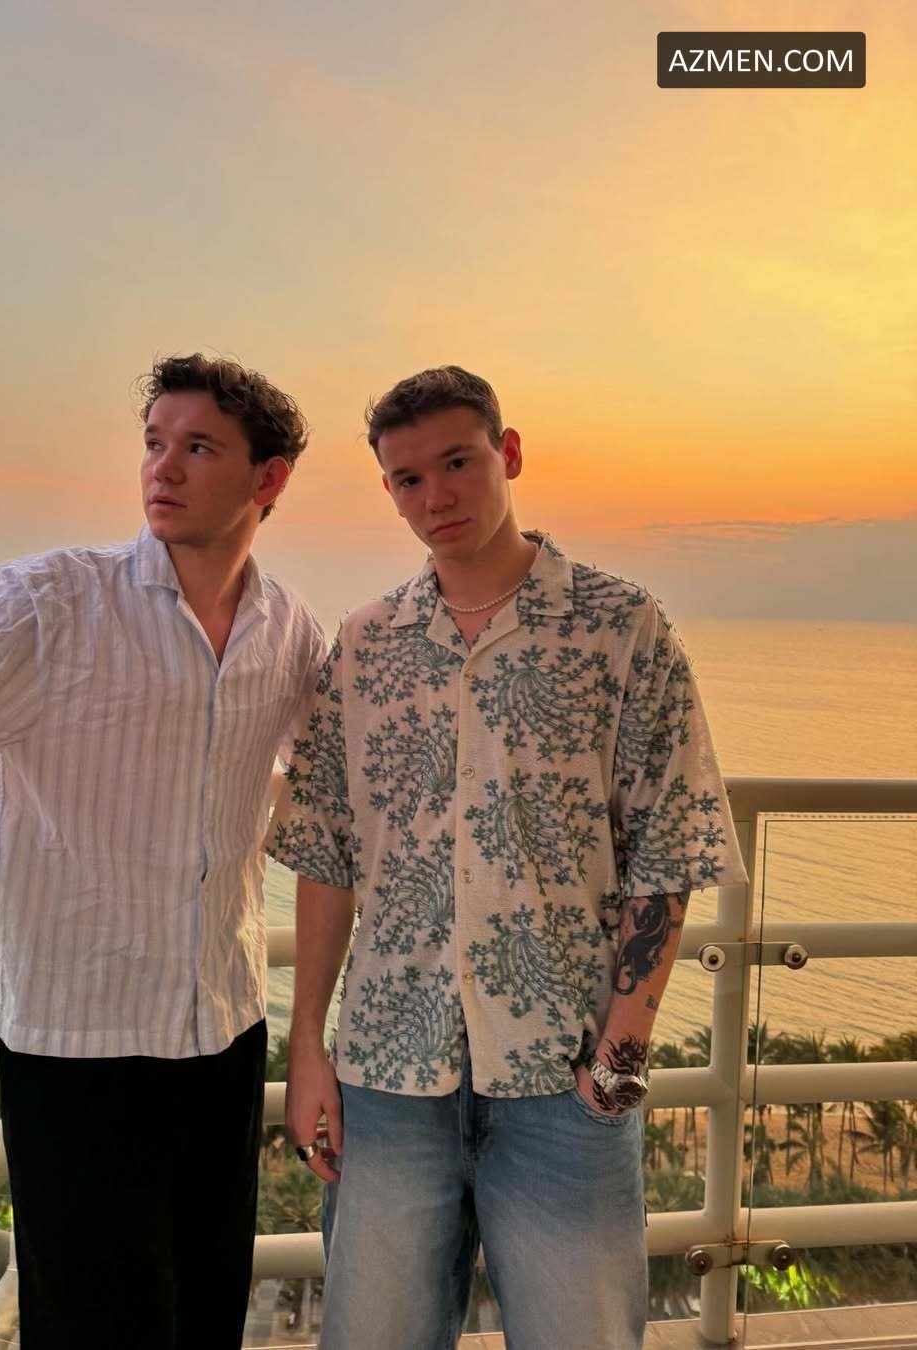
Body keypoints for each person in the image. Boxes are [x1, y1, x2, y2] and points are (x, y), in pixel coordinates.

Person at [0, 353, 326, 1349]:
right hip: (78, 1051)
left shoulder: (287, 630)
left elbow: (331, 795)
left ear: (267, 478)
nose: (162, 468)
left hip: (225, 1034)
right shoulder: (49, 603)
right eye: (153, 442)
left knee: (206, 1315)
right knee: (93, 1330)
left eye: (199, 448)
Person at [268, 366, 748, 1349]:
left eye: (457, 463)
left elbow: (668, 849)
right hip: (386, 1076)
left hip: (562, 1079)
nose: (434, 497)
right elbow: (327, 855)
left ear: (510, 453)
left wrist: (616, 1066)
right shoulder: (363, 648)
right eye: (407, 479)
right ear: (388, 490)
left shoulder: (621, 629)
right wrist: (308, 1045)